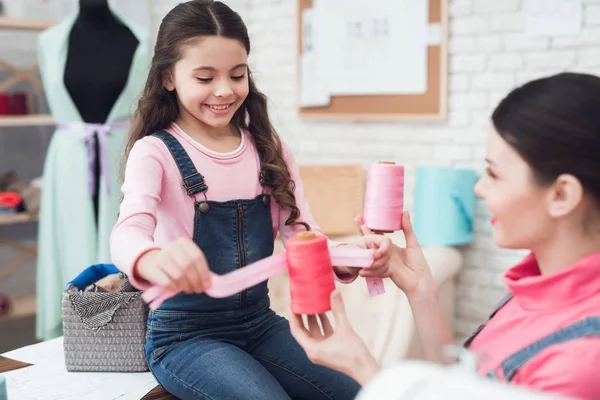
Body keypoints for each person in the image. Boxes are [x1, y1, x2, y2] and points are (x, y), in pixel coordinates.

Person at [110, 1, 392, 399]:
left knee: (357, 393)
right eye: (205, 77)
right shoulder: (154, 152)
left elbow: (302, 234)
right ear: (168, 77)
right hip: (186, 338)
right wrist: (151, 258)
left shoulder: (267, 147)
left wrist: (351, 256)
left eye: (237, 75)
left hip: (261, 324)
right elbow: (128, 231)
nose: (224, 90)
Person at [290, 72, 600, 400]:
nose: (480, 189)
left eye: (494, 174)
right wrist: (420, 288)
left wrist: (362, 366)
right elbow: (458, 389)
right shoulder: (537, 286)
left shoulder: (581, 360)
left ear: (562, 195)